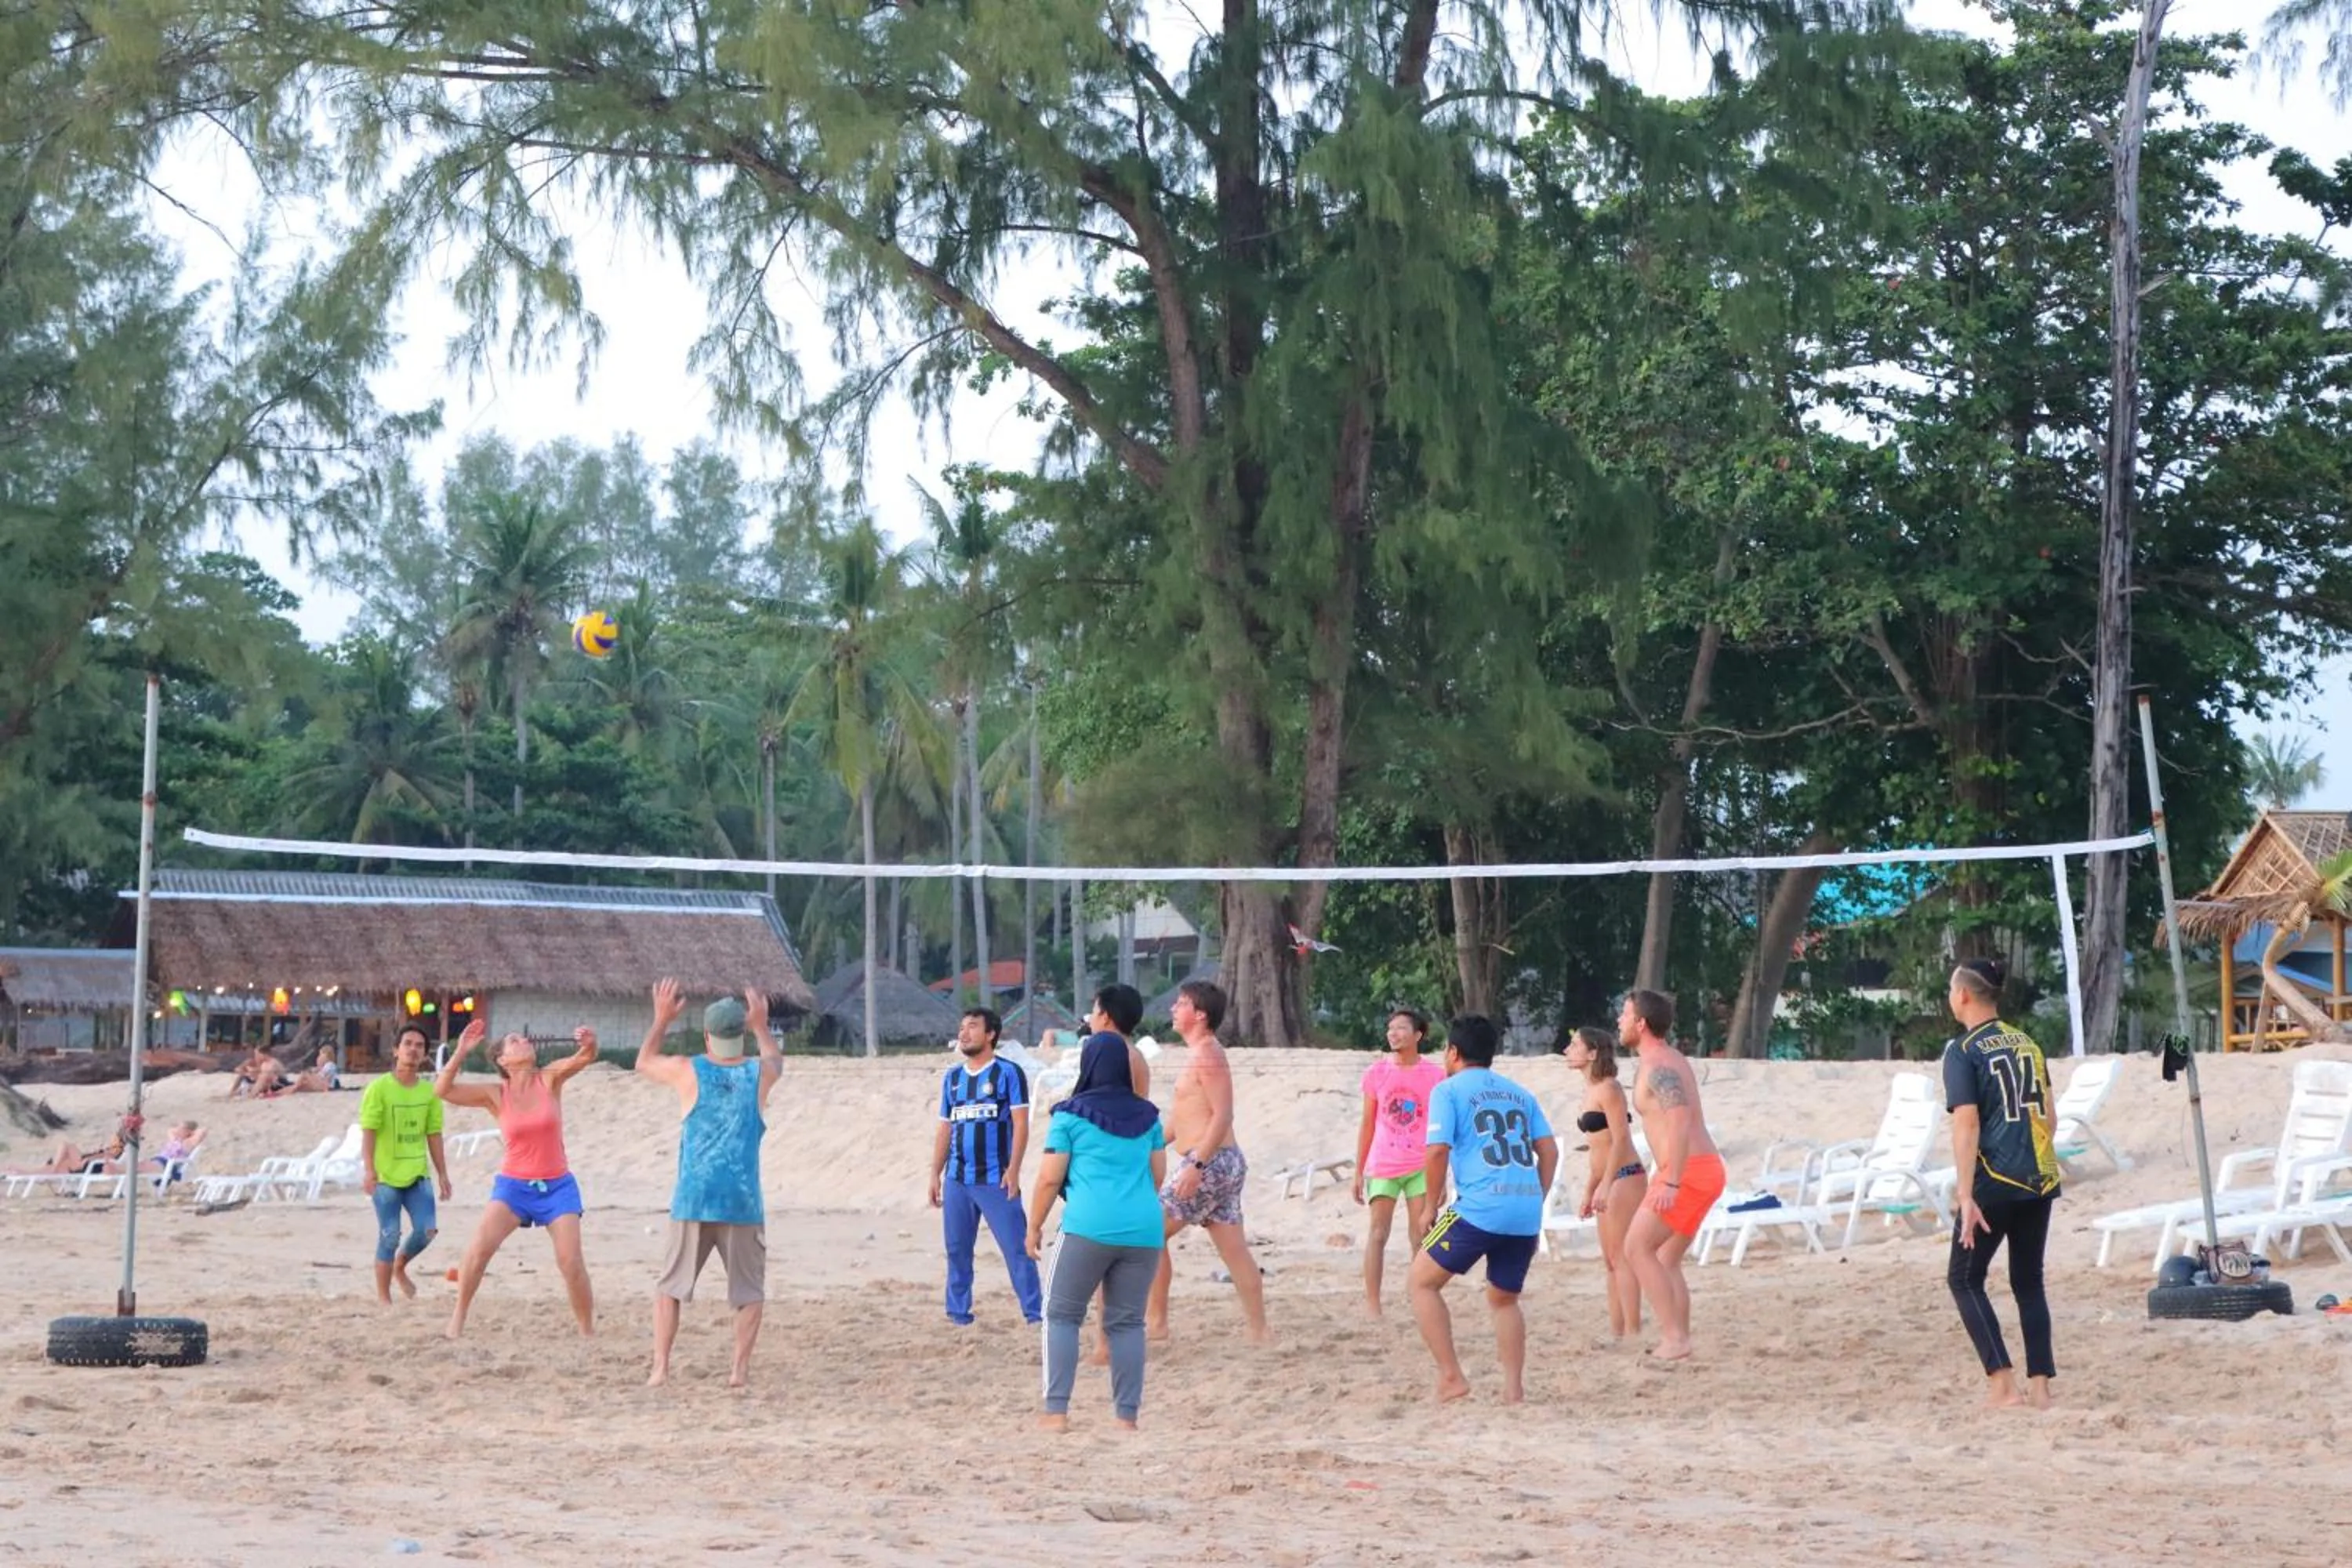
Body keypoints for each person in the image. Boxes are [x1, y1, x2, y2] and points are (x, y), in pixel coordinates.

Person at [637, 979, 782, 1388]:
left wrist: (661, 1019)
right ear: (740, 1034)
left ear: (707, 1036)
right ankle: (738, 1371)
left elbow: (644, 1060)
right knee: (749, 1290)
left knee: (670, 1286)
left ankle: (661, 1368)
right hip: (742, 1199)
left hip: (695, 1197)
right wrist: (761, 1026)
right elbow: (777, 1060)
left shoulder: (688, 1069)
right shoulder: (759, 1074)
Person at [1408, 1014, 1559, 1404]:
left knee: (1420, 1282)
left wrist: (1429, 1205)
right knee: (1503, 1299)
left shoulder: (1448, 1090)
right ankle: (1513, 1390)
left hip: (1479, 1207)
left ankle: (1451, 1376)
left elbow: (1437, 1149)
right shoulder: (1520, 1093)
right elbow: (1549, 1150)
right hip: (1525, 1210)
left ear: (1453, 1052)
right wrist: (1534, 1196)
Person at [1026, 1031, 1167, 1432]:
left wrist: (1034, 1225)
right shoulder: (1148, 1116)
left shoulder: (1069, 1116)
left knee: (1062, 1314)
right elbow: (1158, 1175)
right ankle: (1126, 1418)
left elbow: (1050, 1179)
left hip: (1087, 1227)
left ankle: (1056, 1412)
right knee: (1126, 1323)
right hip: (1143, 1232)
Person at [1942, 956, 2061, 1410]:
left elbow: (1966, 1124)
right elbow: (2048, 1118)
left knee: (1964, 1279)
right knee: (2028, 1282)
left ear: (1964, 995)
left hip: (1995, 1180)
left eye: (1952, 991)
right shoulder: (2028, 1043)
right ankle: (2041, 1387)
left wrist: (1966, 1194)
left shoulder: (1963, 1050)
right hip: (2040, 1177)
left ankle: (2002, 1382)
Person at [435, 1016, 600, 1338]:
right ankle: (458, 1318)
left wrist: (589, 1043)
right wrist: (461, 1052)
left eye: (523, 1039)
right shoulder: (497, 1093)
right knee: (479, 1249)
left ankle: (586, 1330)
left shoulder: (549, 1079)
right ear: (502, 1060)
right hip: (513, 1187)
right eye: (514, 1040)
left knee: (570, 1261)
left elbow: (585, 1057)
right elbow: (443, 1090)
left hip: (557, 1185)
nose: (523, 1041)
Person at [1146, 979, 1270, 1345]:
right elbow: (1184, 1118)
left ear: (1200, 1015)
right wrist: (1148, 1144)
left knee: (1149, 1233)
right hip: (1218, 1161)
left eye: (1181, 1003)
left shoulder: (1208, 1053)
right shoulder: (1198, 1053)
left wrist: (1196, 1166)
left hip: (1210, 1163)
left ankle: (1156, 1324)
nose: (1173, 1008)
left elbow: (1222, 1114)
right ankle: (1260, 1332)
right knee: (1234, 1250)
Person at [1621, 988, 1723, 1362]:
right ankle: (1679, 1338)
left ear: (1641, 1023)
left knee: (1636, 1247)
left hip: (1688, 1170)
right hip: (1701, 1167)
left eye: (1624, 1014)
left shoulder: (1658, 1066)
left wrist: (1671, 1180)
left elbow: (1679, 1119)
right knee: (1665, 1258)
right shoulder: (1668, 1058)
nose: (1620, 1020)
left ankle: (1675, 1338)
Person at [928, 1007, 1043, 1327]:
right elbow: (944, 1129)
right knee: (957, 1250)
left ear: (991, 1034)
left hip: (995, 1178)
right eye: (962, 1027)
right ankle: (958, 1314)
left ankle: (1035, 1315)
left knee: (1017, 1248)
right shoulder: (952, 1078)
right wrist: (934, 1174)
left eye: (973, 1027)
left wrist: (1014, 1170)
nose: (964, 1033)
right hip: (957, 1179)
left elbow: (1021, 1124)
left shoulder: (1008, 1073)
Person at [1354, 1006, 1446, 1317]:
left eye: (1401, 1028)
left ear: (1418, 1035)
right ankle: (1373, 1304)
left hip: (1422, 1165)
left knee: (1420, 1236)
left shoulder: (1435, 1075)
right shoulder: (1376, 1072)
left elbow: (1443, 1127)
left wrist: (1442, 1177)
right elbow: (1367, 1124)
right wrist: (1358, 1172)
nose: (1393, 1033)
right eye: (1390, 1028)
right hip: (1383, 1164)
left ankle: (1419, 1299)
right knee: (1378, 1234)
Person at [1563, 1024, 1645, 1339]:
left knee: (1622, 1257)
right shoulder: (1591, 1091)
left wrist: (1608, 1183)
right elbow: (1599, 1148)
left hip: (1624, 1176)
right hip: (1607, 1178)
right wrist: (1590, 1189)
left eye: (1574, 1045)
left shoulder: (1610, 1089)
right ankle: (1618, 1330)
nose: (1568, 1051)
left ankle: (1634, 1331)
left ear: (1592, 1053)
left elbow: (1621, 1140)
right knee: (1610, 1260)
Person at [360, 1026, 451, 1304]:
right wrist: (369, 1170)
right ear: (396, 1050)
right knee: (390, 1235)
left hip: (417, 1175)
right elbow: (369, 1131)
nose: (413, 1049)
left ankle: (400, 1266)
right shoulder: (379, 1089)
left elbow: (433, 1134)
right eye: (408, 1044)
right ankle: (384, 1298)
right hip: (386, 1176)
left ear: (425, 1054)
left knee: (427, 1231)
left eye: (420, 1045)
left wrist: (443, 1174)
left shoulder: (430, 1092)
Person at [263, 1046, 341, 1097]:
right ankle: (277, 1094)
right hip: (322, 1085)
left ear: (326, 1055)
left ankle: (276, 1093)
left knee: (304, 1074)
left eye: (321, 1055)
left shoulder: (330, 1065)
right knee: (299, 1087)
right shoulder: (326, 1066)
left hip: (325, 1087)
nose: (319, 1057)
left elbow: (326, 1080)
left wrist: (314, 1073)